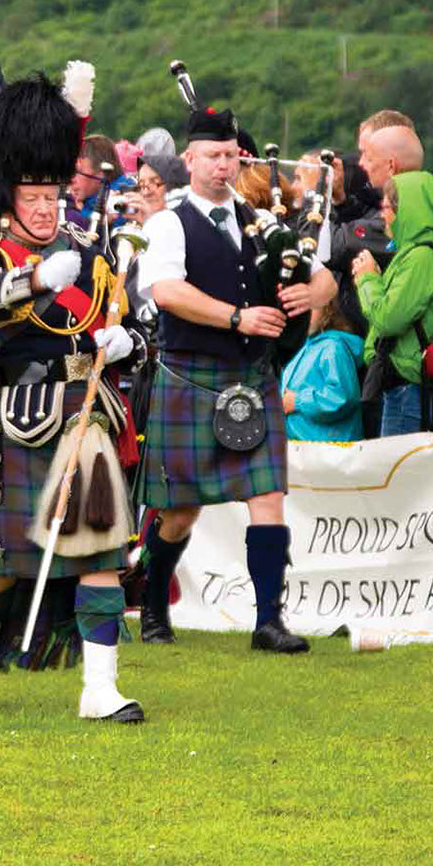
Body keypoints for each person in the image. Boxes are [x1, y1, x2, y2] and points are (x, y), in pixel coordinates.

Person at [0, 64, 146, 721]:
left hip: (87, 417)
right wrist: (35, 282)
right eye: (32, 197)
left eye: (52, 196)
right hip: (20, 420)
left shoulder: (87, 250)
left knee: (100, 554)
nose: (45, 207)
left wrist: (127, 344)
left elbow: (121, 318)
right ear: (7, 198)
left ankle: (99, 689)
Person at [132, 101, 337, 655]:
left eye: (230, 155)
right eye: (212, 156)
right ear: (190, 160)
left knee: (267, 495)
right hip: (192, 375)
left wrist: (311, 292)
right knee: (179, 511)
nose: (223, 165)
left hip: (253, 376)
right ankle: (152, 599)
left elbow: (326, 282)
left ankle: (268, 621)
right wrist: (235, 316)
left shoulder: (262, 221)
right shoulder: (168, 224)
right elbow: (166, 291)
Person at [350, 165, 433, 437]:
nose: (382, 215)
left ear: (407, 211)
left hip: (410, 387)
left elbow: (388, 319)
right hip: (402, 384)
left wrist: (367, 280)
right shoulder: (412, 253)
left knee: (399, 476)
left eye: (387, 207)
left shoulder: (421, 258)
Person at [281, 297, 366, 444]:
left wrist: (297, 401)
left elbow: (342, 398)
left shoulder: (333, 347)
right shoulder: (303, 350)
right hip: (305, 452)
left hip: (331, 454)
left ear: (327, 309)